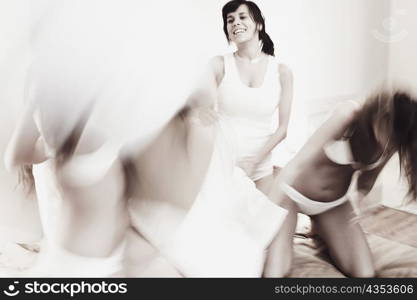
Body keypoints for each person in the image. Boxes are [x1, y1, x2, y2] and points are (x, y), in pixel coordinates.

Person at [264, 90, 417, 277]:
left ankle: (320, 229)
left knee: (364, 273)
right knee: (275, 273)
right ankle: (311, 229)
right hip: (293, 195)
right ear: (382, 114)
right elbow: (297, 164)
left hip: (332, 205)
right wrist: (267, 210)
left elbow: (366, 181)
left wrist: (357, 207)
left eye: (395, 140)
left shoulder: (393, 141)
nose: (389, 141)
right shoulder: (349, 115)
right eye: (389, 131)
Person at [212, 0, 293, 194]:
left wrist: (253, 163)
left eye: (242, 17)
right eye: (229, 20)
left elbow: (282, 130)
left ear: (259, 24)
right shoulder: (218, 64)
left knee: (265, 221)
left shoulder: (282, 72)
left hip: (260, 170)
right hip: (222, 167)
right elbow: (200, 111)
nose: (235, 23)